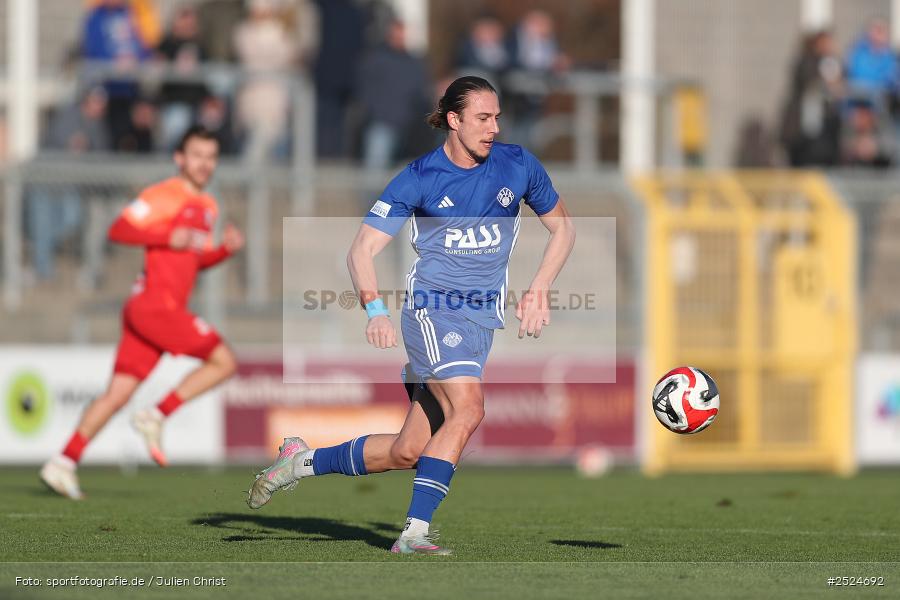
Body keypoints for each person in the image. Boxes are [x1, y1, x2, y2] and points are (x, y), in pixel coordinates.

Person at [247, 76, 576, 555]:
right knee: (469, 409)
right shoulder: (420, 177)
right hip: (432, 313)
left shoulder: (518, 164)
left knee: (409, 451)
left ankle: (299, 463)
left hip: (481, 323)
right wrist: (375, 310)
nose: (494, 127)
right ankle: (414, 534)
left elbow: (563, 230)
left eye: (497, 117)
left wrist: (540, 288)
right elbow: (361, 251)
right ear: (454, 120)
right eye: (483, 118)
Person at [40, 126, 244, 500]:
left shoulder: (209, 206)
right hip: (154, 307)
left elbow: (192, 262)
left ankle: (62, 462)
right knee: (225, 361)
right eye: (196, 155)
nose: (204, 164)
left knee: (116, 395)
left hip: (152, 312)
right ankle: (157, 413)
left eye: (211, 156)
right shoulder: (164, 194)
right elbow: (118, 229)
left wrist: (224, 251)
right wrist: (166, 237)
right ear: (179, 158)